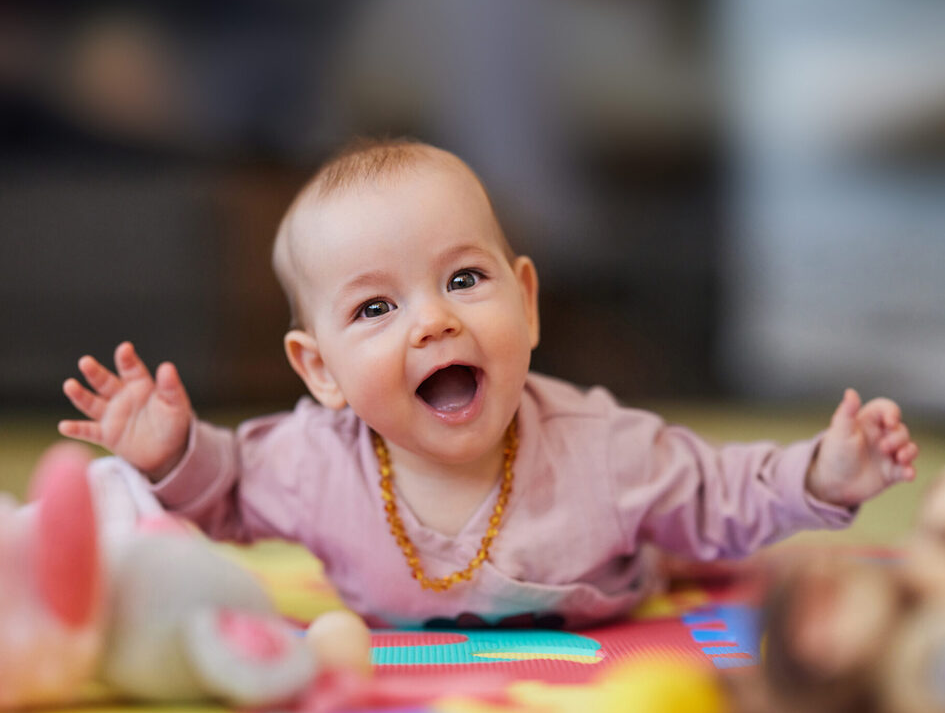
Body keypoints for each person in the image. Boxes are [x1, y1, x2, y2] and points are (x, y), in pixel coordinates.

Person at [58, 139, 920, 629]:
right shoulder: (311, 463)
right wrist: (169, 448)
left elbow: (725, 485)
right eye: (374, 308)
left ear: (527, 300)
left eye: (464, 280)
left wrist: (820, 474)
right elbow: (229, 493)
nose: (431, 322)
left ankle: (674, 548)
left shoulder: (604, 453)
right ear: (318, 369)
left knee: (701, 528)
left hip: (622, 567)